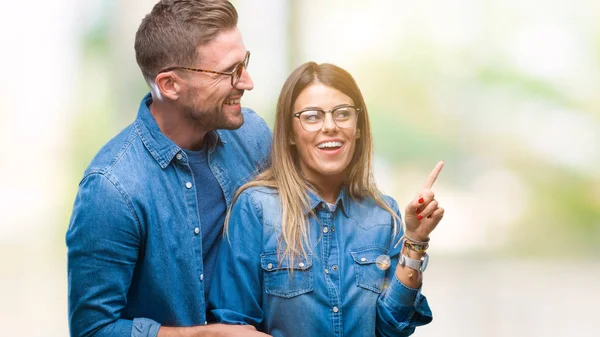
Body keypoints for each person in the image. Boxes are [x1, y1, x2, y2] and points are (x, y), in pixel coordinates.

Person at [66, 1, 272, 336]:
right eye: (230, 71)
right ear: (170, 85)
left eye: (244, 63)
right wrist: (203, 335)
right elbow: (93, 330)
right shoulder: (111, 188)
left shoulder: (254, 136)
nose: (247, 82)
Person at [208, 62, 445, 336]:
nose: (330, 126)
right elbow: (233, 325)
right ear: (290, 133)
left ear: (357, 127)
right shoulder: (256, 208)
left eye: (342, 114)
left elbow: (392, 329)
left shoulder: (383, 215)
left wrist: (415, 241)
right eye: (312, 116)